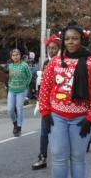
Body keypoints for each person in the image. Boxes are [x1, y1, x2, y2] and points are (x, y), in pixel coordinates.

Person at [39, 21, 91, 178]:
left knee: (77, 158)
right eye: (68, 38)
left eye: (75, 38)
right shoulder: (55, 61)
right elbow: (45, 88)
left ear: (81, 39)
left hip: (81, 118)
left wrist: (90, 118)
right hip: (57, 117)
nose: (71, 42)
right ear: (63, 41)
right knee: (59, 158)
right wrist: (45, 112)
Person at [32, 34, 61, 170]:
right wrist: (39, 101)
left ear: (59, 49)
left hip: (61, 102)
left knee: (58, 132)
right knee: (44, 131)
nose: (51, 50)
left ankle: (61, 157)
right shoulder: (45, 63)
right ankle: (42, 157)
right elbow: (43, 84)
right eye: (49, 48)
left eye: (54, 48)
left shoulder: (63, 61)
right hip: (47, 102)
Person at [7, 49, 32, 137]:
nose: (15, 56)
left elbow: (30, 75)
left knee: (19, 109)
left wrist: (26, 85)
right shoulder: (10, 66)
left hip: (21, 91)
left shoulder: (24, 65)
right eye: (13, 55)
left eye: (17, 54)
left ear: (20, 56)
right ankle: (15, 123)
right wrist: (8, 85)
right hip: (11, 90)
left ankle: (19, 127)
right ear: (11, 57)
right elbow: (9, 77)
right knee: (10, 110)